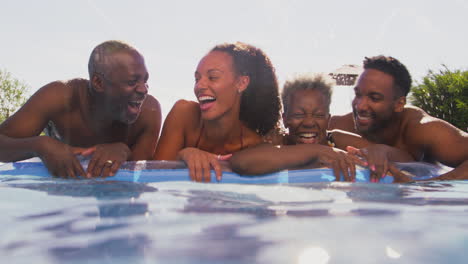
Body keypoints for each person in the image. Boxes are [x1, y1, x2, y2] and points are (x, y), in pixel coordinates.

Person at [0, 40, 162, 178]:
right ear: (98, 83)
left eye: (145, 80)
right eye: (132, 82)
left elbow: (139, 180)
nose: (143, 90)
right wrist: (40, 146)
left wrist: (125, 151)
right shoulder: (58, 97)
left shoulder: (149, 113)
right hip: (57, 189)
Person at [154, 42, 281, 182]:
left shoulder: (255, 144)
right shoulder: (184, 115)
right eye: (197, 79)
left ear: (241, 83)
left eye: (213, 77)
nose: (199, 86)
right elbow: (154, 178)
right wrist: (183, 155)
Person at [329, 55, 468, 180]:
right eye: (358, 95)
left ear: (399, 104)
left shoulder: (422, 129)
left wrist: (428, 185)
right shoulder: (342, 125)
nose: (360, 106)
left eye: (374, 98)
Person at [230, 74, 384, 181]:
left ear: (328, 119)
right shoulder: (278, 142)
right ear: (285, 119)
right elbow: (240, 162)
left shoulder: (336, 139)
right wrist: (317, 151)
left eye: (318, 115)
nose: (309, 123)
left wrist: (377, 152)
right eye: (298, 115)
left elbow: (403, 158)